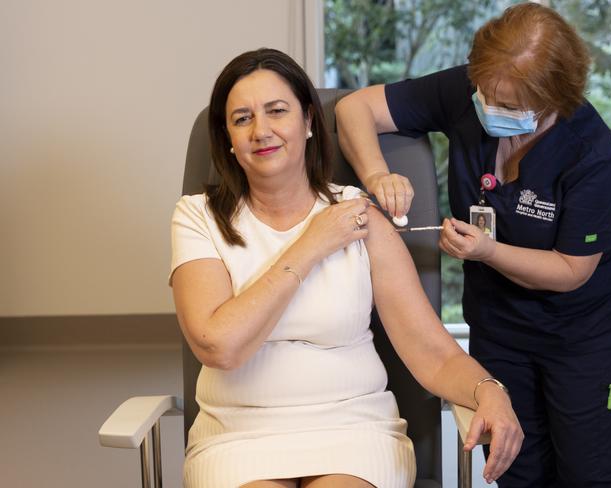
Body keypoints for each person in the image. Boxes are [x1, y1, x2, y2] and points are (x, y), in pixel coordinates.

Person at [170, 48, 522, 488]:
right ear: (226, 137)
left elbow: (431, 351)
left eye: (277, 111)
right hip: (236, 434)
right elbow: (220, 347)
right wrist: (313, 243)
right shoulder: (198, 217)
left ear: (309, 122)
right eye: (242, 119)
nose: (261, 130)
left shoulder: (359, 217)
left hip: (353, 430)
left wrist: (489, 389)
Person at [335, 3, 611, 487]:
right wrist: (377, 173)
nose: (487, 106)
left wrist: (487, 252)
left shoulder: (591, 153)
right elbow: (354, 107)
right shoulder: (470, 91)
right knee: (517, 471)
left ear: (554, 99)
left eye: (507, 102)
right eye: (484, 92)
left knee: (591, 474)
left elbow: (572, 270)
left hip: (582, 338)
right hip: (499, 330)